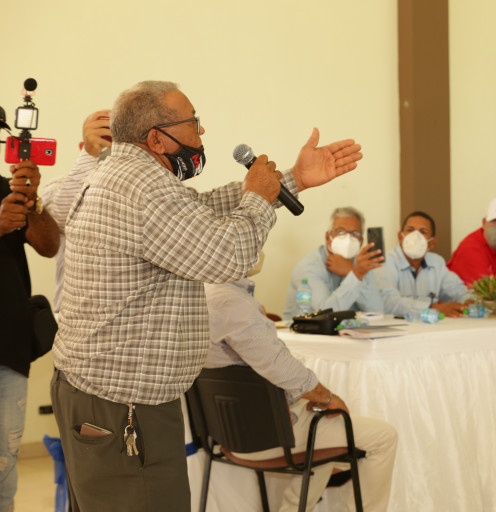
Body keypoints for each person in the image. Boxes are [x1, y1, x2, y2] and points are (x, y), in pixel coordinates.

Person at [50, 80, 362, 511]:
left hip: (107, 398)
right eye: (193, 123)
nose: (201, 134)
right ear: (156, 138)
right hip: (122, 406)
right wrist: (257, 199)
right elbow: (227, 257)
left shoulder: (128, 175)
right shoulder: (141, 187)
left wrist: (292, 180)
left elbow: (199, 211)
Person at [205, 251, 397, 512]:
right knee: (383, 436)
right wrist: (327, 397)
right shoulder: (231, 302)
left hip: (224, 433)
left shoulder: (203, 295)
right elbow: (279, 366)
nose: (260, 250)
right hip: (264, 436)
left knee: (324, 435)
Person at [0, 160, 59, 512]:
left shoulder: (6, 189)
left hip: (9, 351)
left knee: (4, 471)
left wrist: (34, 201)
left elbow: (49, 245)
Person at [40, 110, 112, 312]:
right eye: (104, 145)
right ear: (82, 148)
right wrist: (90, 154)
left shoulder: (141, 191)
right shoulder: (57, 187)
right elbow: (61, 221)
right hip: (73, 315)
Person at [283, 207, 383, 318]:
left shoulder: (360, 264)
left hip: (345, 328)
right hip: (302, 328)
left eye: (355, 234)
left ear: (361, 241)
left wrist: (350, 272)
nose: (348, 238)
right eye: (341, 231)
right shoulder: (309, 267)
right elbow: (326, 313)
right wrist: (355, 275)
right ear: (328, 237)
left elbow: (377, 311)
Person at [375, 211, 469, 318]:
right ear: (400, 237)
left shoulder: (437, 262)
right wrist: (433, 308)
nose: (415, 236)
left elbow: (457, 290)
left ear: (432, 242)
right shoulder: (385, 261)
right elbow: (387, 302)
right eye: (410, 230)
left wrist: (469, 301)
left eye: (423, 232)